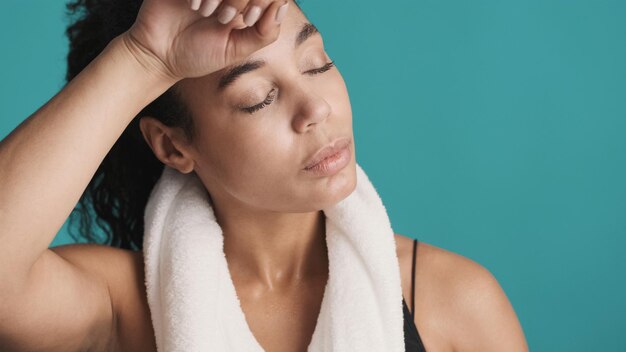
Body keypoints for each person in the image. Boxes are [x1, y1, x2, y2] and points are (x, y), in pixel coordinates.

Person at [0, 0, 529, 350]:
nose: (314, 109)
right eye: (259, 98)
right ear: (174, 145)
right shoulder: (121, 306)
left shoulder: (457, 299)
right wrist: (145, 57)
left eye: (317, 63)